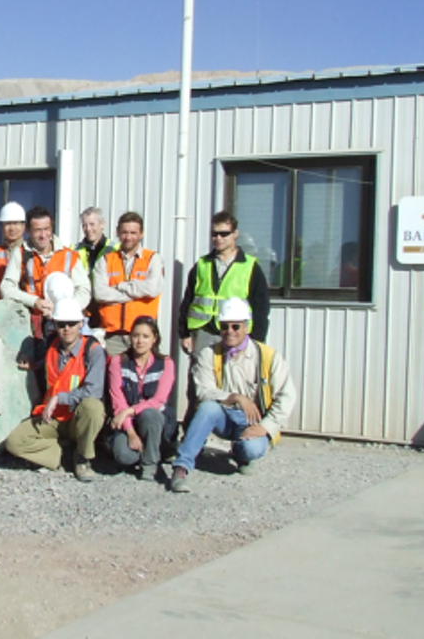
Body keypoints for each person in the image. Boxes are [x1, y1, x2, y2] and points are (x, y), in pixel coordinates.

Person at [170, 298, 296, 493]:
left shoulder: (268, 357)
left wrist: (265, 426)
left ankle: (240, 454)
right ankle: (181, 467)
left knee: (251, 449)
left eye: (235, 326)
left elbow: (287, 396)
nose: (230, 331)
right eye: (224, 326)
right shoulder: (209, 354)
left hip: (254, 421)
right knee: (207, 408)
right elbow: (203, 390)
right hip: (225, 416)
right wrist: (235, 397)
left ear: (246, 327)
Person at [4, 299, 105, 482]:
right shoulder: (51, 344)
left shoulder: (93, 351)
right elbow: (52, 369)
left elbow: (93, 392)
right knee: (15, 443)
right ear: (55, 325)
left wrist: (59, 398)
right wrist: (34, 365)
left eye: (72, 323)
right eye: (61, 324)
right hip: (52, 417)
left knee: (93, 407)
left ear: (81, 323)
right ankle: (65, 455)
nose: (67, 328)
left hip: (77, 418)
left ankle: (83, 458)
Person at [179, 210, 270, 356]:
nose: (218, 238)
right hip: (204, 333)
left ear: (235, 234)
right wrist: (184, 334)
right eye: (214, 234)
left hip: (235, 333)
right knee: (201, 370)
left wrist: (257, 340)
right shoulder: (202, 265)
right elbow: (187, 301)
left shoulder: (250, 266)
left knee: (235, 370)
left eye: (224, 234)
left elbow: (261, 307)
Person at [0, 206, 90, 338]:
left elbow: (84, 290)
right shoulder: (19, 253)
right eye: (37, 230)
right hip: (31, 326)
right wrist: (35, 302)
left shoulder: (69, 255)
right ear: (28, 230)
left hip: (64, 326)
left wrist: (64, 309)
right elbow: (6, 288)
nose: (43, 235)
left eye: (46, 229)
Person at [107, 316, 178, 481]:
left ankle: (150, 464)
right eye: (136, 335)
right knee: (124, 456)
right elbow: (118, 401)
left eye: (146, 336)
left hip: (155, 420)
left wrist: (130, 411)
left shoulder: (166, 363)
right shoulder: (118, 362)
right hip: (128, 422)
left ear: (154, 339)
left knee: (150, 413)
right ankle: (147, 449)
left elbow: (158, 400)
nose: (140, 341)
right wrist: (131, 432)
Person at [92, 211, 164, 356]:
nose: (128, 237)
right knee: (113, 371)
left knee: (144, 371)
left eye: (133, 233)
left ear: (141, 234)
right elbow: (100, 293)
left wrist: (121, 287)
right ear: (118, 232)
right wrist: (138, 293)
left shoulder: (153, 258)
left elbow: (152, 289)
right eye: (124, 232)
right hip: (113, 336)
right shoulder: (105, 260)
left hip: (144, 334)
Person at [0, 201, 26, 299]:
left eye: (16, 223)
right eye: (7, 224)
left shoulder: (31, 252)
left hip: (24, 304)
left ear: (23, 226)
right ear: (1, 227)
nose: (12, 228)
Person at [74, 207, 117, 277]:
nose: (88, 229)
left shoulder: (115, 249)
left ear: (102, 224)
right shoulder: (74, 250)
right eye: (84, 225)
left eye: (92, 224)